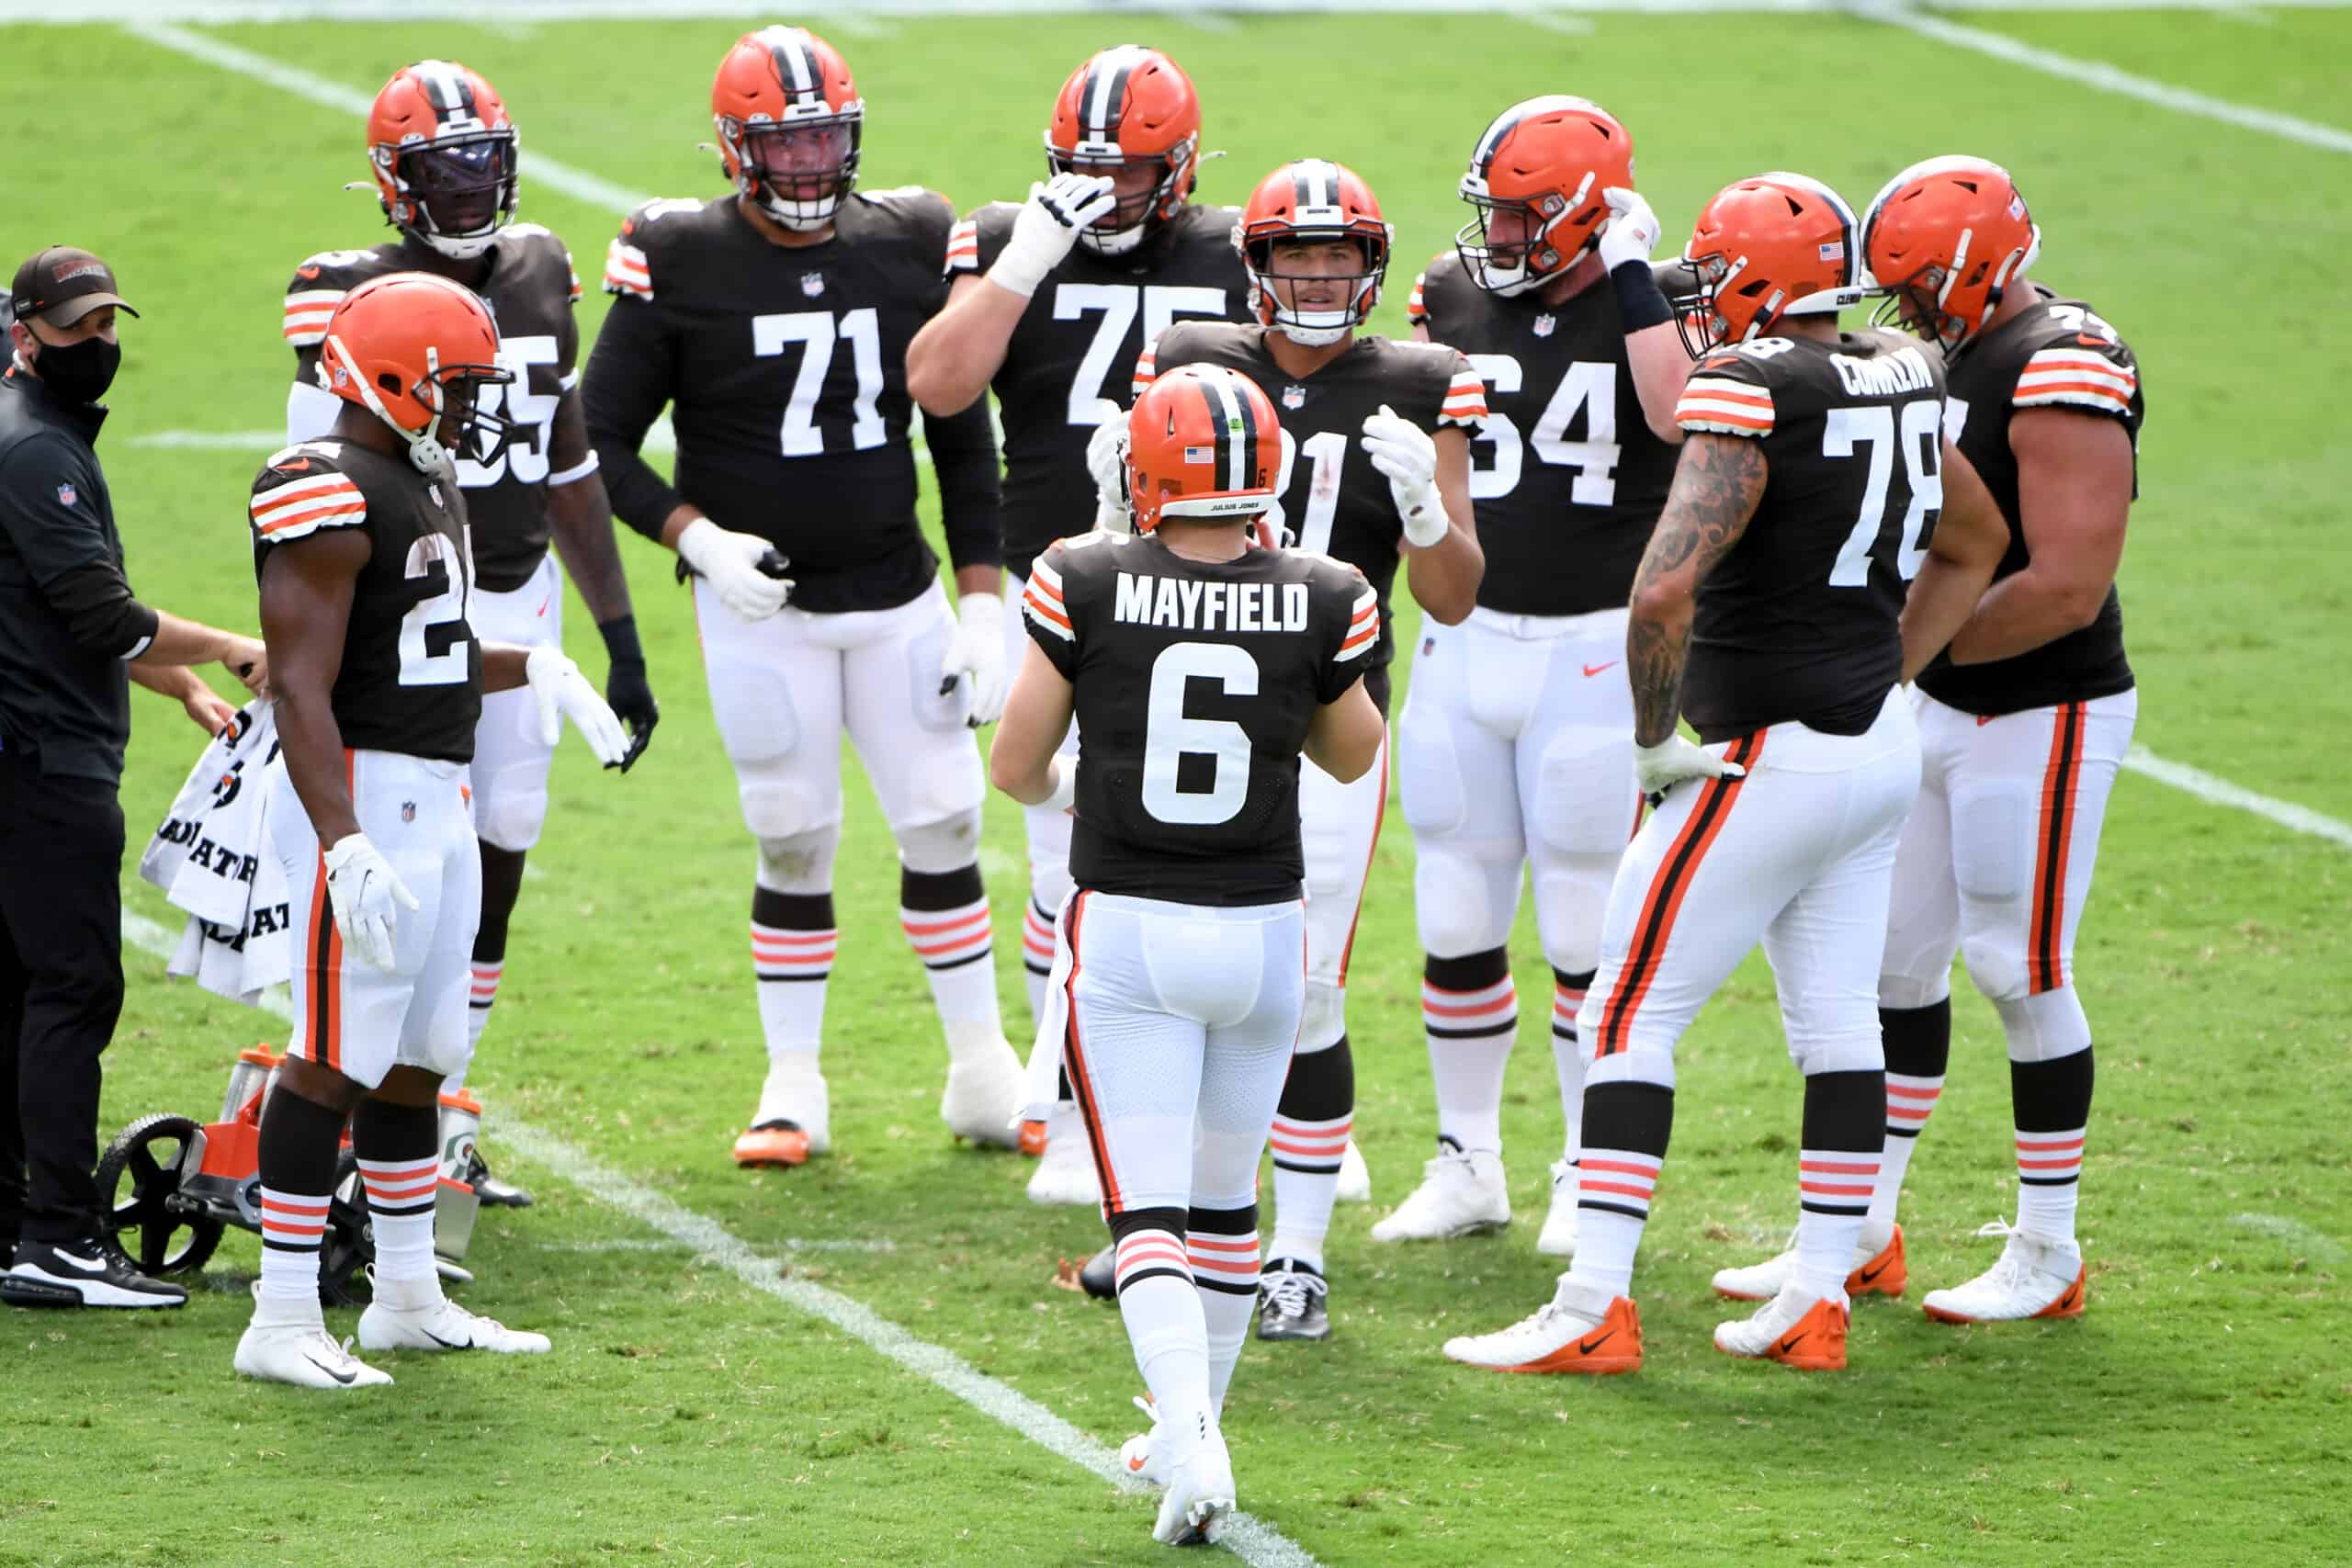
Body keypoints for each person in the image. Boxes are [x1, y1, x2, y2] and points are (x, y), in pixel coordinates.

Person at [1441, 172, 2008, 1376]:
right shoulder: (1908, 370)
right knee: (1838, 1021)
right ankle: (1816, 1290)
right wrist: (1890, 668)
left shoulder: (1755, 386)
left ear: (1751, 283)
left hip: (1761, 752)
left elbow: (1661, 586)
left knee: (1628, 1010)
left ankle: (1593, 1298)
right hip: (1872, 748)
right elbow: (1977, 540)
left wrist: (1654, 738)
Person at [1713, 156, 2144, 1323]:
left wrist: (1904, 654)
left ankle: (2048, 1248)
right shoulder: (1942, 350)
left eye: (1917, 289)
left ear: (1975, 267)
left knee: (2017, 964)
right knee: (1894, 967)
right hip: (1932, 698)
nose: (1903, 314)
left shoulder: (2063, 358)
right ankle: (1860, 1232)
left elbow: (2062, 584)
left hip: (2041, 709)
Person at [584, 26, 1024, 1168]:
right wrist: (696, 537)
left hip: (895, 590)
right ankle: (792, 1085)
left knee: (943, 817)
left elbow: (963, 438)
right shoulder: (675, 253)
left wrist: (982, 600)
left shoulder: (916, 236)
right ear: (736, 148)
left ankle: (983, 1070)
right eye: (785, 143)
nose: (810, 163)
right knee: (791, 836)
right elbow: (593, 443)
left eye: (826, 136)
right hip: (759, 609)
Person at [989, 363, 1385, 1543]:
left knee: (1144, 1214)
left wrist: (1075, 776)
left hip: (1133, 929)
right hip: (1265, 934)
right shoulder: (1327, 588)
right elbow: (1354, 755)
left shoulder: (1085, 576)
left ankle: (1193, 1442)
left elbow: (1014, 767)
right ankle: (1192, 1425)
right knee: (1222, 1204)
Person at [1104, 157, 1485, 1341]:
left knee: (1300, 987)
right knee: (1155, 980)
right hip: (1178, 704)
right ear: (1253, 267)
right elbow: (1124, 538)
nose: (1318, 277)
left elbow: (1458, 594)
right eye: (1293, 258)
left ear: (1371, 268)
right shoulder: (1185, 359)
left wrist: (1425, 514)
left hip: (1323, 721)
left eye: (1338, 258)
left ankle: (1297, 1256)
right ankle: (1169, 1234)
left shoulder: (1426, 381)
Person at [234, 271, 629, 1387]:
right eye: (454, 385)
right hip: (361, 793)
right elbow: (301, 690)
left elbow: (429, 647)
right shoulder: (323, 488)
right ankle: (278, 1319)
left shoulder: (423, 479)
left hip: (440, 793)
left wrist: (533, 665)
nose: (471, 409)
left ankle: (406, 1299)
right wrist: (342, 838)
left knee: (419, 1059)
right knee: (328, 1062)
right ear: (394, 376)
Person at [282, 58, 658, 1211]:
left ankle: (435, 1105)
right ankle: (340, 1095)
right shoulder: (340, 286)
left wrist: (620, 635)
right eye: (441, 172)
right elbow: (315, 478)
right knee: (377, 860)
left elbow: (573, 465)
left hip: (514, 592)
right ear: (395, 183)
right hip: (395, 590)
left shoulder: (539, 265)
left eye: (483, 164)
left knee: (494, 850)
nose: (467, 190)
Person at [905, 42, 1251, 1206]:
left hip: (1202, 582)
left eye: (1133, 176)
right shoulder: (1013, 233)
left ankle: (1265, 1110)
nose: (1104, 197)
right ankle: (1065, 1094)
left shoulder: (1231, 247)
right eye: (1082, 174)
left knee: (1226, 849)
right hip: (1060, 581)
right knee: (1061, 855)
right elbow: (940, 384)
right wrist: (1024, 261)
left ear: (1185, 169)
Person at [1384, 95, 1683, 1257]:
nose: (1496, 241)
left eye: (1521, 219)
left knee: (1577, 926)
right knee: (1454, 911)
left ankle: (1577, 1164)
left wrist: (1634, 277)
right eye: (1493, 217)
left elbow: (1675, 412)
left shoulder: (1654, 299)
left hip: (1592, 650)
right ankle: (1467, 1161)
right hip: (1464, 644)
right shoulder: (1451, 297)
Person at [0, 247, 266, 1310]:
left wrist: (177, 687)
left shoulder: (33, 437)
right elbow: (105, 615)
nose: (98, 345)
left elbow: (58, 610)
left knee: (19, 991)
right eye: (75, 328)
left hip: (21, 755)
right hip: (43, 767)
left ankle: (17, 1226)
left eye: (108, 324)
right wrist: (235, 649)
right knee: (72, 990)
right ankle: (59, 1238)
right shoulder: (35, 454)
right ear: (26, 334)